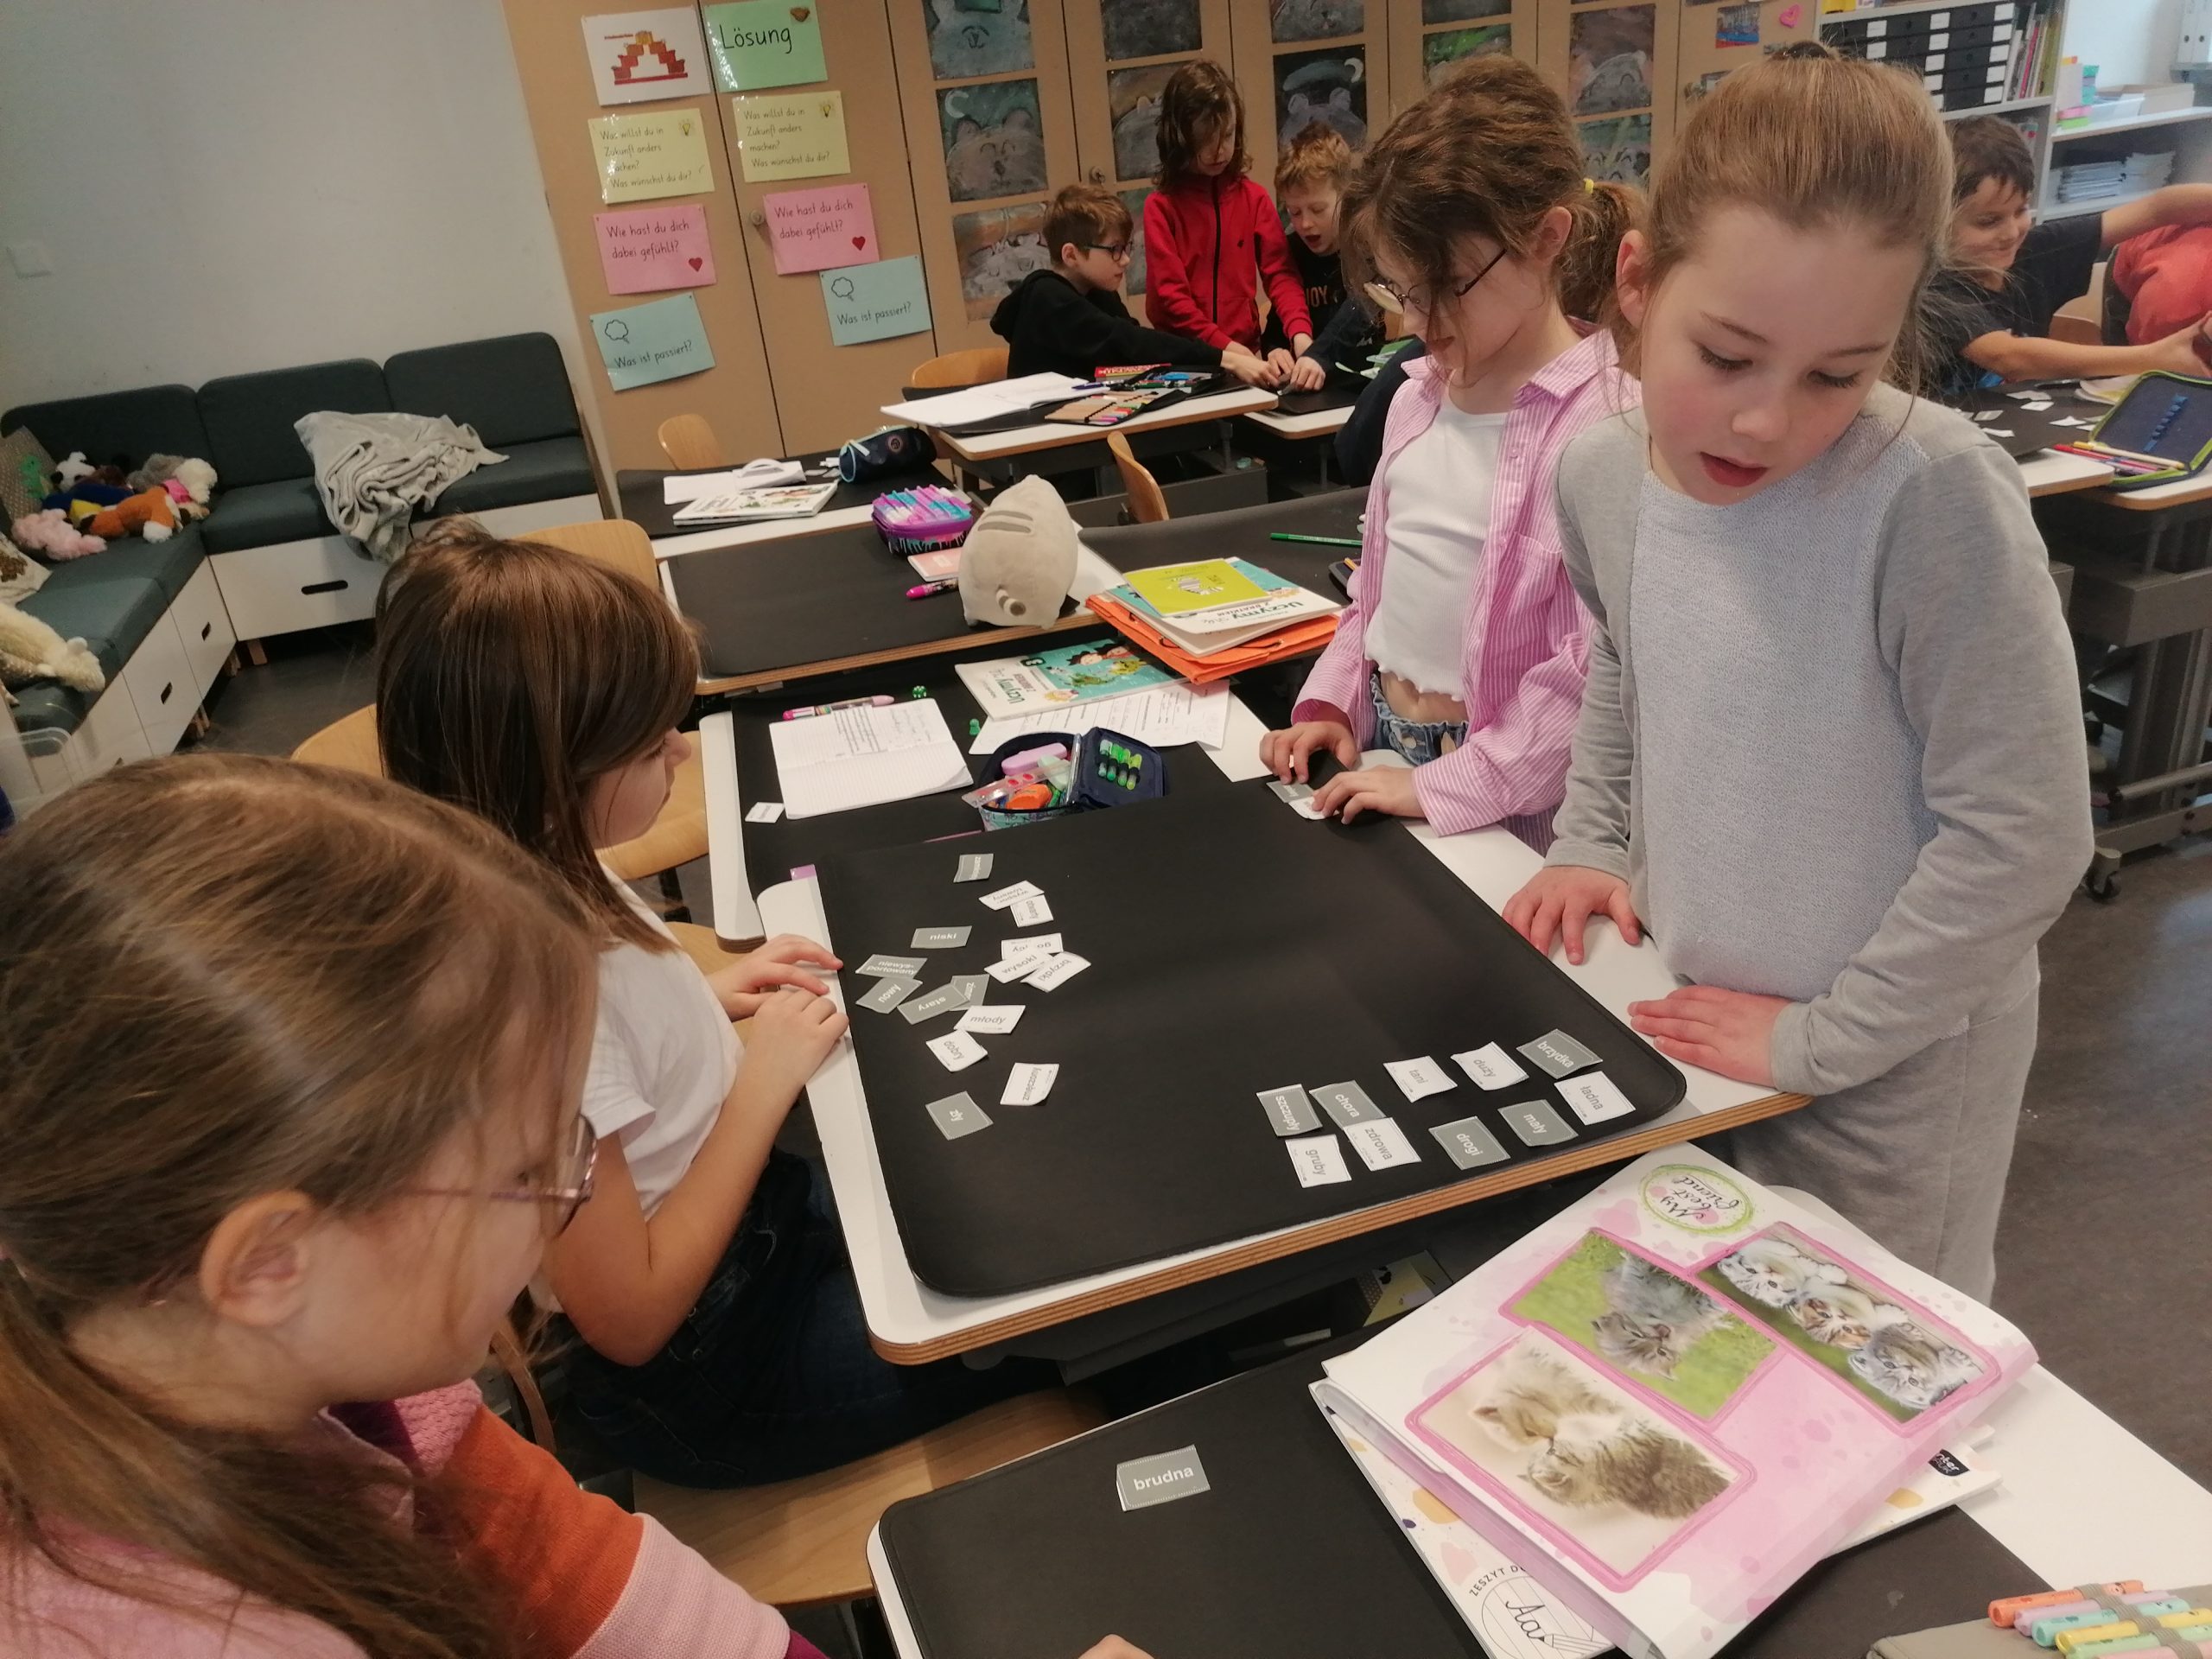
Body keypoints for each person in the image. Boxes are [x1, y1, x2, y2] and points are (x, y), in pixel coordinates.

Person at [0, 754, 827, 1657]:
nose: (567, 1198)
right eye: (526, 1172)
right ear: (268, 1260)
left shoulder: (316, 1370)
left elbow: (562, 1556)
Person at [1504, 48, 2091, 1300]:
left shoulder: (1930, 496)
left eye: (1838, 375)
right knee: (1694, 1334)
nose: (1766, 420)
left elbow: (2025, 833)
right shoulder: (1600, 473)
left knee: (1866, 1355)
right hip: (1691, 1014)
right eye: (1725, 356)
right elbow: (1624, 663)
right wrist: (1592, 838)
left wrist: (1826, 1042)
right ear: (1636, 281)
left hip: (1889, 1075)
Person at [375, 523, 1046, 1489]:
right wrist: (761, 1082)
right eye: (651, 745)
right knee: (1052, 1321)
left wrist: (702, 996)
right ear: (552, 774)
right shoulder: (538, 1002)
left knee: (986, 1207)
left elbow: (621, 1039)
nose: (682, 753)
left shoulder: (526, 858)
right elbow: (632, 1319)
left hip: (759, 1231)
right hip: (713, 1371)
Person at [1259, 57, 1642, 846]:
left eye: (1447, 287)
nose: (1417, 322)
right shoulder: (1416, 398)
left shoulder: (1611, 427)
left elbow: (1591, 674)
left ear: (1547, 238)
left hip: (1510, 805)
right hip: (1383, 753)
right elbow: (1373, 596)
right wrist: (1334, 704)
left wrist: (1442, 783)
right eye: (1401, 290)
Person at [1932, 114, 2212, 397]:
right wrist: (2154, 357)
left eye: (2020, 211)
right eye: (1989, 221)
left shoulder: (2035, 250)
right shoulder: (1931, 289)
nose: (2011, 232)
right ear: (1933, 221)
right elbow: (2009, 357)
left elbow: (2156, 210)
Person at [992, 183, 1274, 385]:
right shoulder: (1048, 297)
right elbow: (1128, 342)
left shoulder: (1098, 292)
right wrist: (1224, 358)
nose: (1125, 260)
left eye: (1126, 248)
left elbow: (1139, 352)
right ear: (1071, 255)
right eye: (1114, 250)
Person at [1142, 60, 1309, 381]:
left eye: (1228, 134)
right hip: (1185, 361)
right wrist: (1226, 349)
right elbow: (1170, 299)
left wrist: (1300, 333)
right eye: (1206, 139)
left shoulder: (1254, 198)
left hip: (1245, 355)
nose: (1219, 150)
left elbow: (1281, 275)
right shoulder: (1161, 208)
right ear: (1179, 137)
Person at [1269, 121, 1381, 390]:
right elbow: (1277, 322)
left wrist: (1319, 355)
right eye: (1294, 212)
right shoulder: (1293, 252)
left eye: (1318, 209)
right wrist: (1274, 350)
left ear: (1346, 197)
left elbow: (1362, 307)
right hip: (1307, 390)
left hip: (1360, 384)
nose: (1305, 224)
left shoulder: (1366, 247)